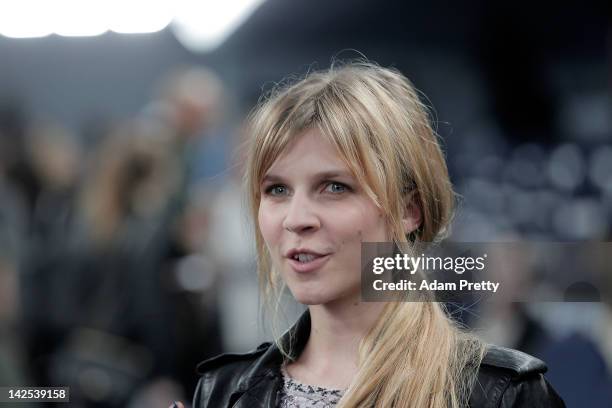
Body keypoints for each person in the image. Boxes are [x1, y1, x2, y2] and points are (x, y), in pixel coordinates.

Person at [174, 61, 565, 407]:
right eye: (277, 190)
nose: (296, 219)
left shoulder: (501, 396)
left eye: (334, 187)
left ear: (408, 210)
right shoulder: (224, 390)